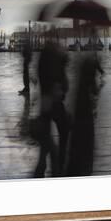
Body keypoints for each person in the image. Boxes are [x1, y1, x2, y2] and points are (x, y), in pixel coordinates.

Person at [32, 40, 70, 177]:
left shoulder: (43, 60)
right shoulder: (57, 64)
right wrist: (64, 64)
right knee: (64, 132)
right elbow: (64, 85)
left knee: (45, 136)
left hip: (45, 103)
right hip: (55, 104)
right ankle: (59, 164)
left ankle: (41, 166)